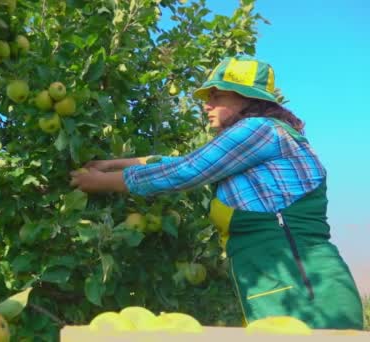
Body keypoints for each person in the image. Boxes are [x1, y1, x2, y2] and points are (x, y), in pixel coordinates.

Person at [69, 56, 363, 329]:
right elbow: (184, 162)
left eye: (217, 96)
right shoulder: (257, 141)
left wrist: (100, 183)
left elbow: (187, 171)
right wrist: (111, 164)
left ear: (249, 100)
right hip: (282, 284)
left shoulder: (258, 129)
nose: (206, 105)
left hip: (306, 290)